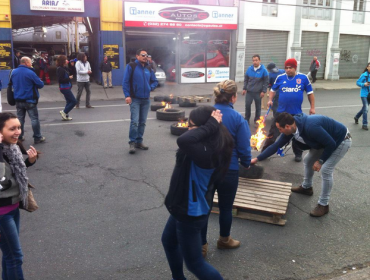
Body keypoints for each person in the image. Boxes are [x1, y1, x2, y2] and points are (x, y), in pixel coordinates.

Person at [162, 106, 234, 280]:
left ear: (205, 128)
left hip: (190, 211)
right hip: (183, 206)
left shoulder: (207, 153)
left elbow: (184, 140)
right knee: (169, 241)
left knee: (195, 263)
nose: (187, 127)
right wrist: (210, 125)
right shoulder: (204, 147)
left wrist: (211, 124)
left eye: (191, 124)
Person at [251, 112, 352, 217]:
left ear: (287, 126)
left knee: (326, 169)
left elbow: (331, 144)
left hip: (341, 140)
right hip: (324, 141)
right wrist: (257, 159)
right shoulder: (290, 130)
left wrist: (320, 161)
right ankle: (307, 188)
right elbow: (276, 145)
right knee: (308, 160)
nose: (279, 132)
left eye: (280, 129)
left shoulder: (310, 127)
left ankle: (323, 204)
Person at [201, 80, 251, 257]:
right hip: (229, 170)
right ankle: (224, 240)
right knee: (226, 208)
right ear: (234, 97)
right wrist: (246, 162)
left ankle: (201, 246)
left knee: (204, 207)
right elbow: (245, 149)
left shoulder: (205, 114)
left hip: (205, 169)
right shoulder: (238, 119)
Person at [0, 112, 38, 279]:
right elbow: (1, 179)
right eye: (12, 128)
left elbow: (12, 173)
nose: (17, 132)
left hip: (13, 208)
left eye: (19, 127)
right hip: (2, 214)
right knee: (15, 257)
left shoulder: (11, 148)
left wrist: (29, 162)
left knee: (9, 255)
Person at [262, 58, 315, 162]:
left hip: (296, 113)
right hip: (281, 112)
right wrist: (270, 100)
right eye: (286, 68)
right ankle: (265, 151)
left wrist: (312, 107)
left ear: (295, 67)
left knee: (297, 134)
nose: (288, 70)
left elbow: (310, 93)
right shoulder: (280, 78)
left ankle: (298, 153)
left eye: (290, 68)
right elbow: (272, 90)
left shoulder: (303, 78)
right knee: (273, 132)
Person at [122, 48, 158, 154]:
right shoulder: (131, 66)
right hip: (135, 99)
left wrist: (150, 87)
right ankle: (132, 142)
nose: (145, 57)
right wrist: (127, 95)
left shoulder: (149, 68)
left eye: (146, 55)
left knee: (142, 122)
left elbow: (155, 81)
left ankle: (139, 141)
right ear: (137, 56)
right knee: (134, 122)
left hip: (146, 99)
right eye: (142, 55)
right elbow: (125, 82)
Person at [12, 57, 45, 144]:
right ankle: (37, 137)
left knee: (20, 119)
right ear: (26, 62)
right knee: (34, 119)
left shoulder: (13, 72)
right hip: (30, 99)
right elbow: (40, 85)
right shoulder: (30, 72)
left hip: (18, 99)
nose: (31, 64)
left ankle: (19, 136)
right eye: (30, 62)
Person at [241, 54, 269, 125]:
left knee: (258, 107)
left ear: (259, 61)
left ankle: (257, 120)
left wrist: (263, 91)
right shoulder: (249, 69)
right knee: (247, 105)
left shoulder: (264, 70)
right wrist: (244, 88)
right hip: (249, 92)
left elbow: (266, 82)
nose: (255, 62)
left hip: (258, 92)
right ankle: (247, 119)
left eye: (256, 60)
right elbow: (246, 80)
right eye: (253, 60)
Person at [56, 55, 77, 121]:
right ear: (63, 61)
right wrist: (68, 78)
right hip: (64, 88)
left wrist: (72, 65)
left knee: (69, 102)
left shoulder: (64, 67)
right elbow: (60, 80)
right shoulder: (60, 69)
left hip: (67, 87)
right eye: (65, 59)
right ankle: (64, 112)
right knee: (74, 101)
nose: (67, 60)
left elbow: (72, 72)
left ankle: (65, 115)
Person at [354, 62, 370, 131]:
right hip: (364, 94)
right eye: (369, 66)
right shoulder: (364, 75)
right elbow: (357, 82)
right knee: (366, 108)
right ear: (367, 67)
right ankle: (364, 124)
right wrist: (364, 84)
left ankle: (356, 117)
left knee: (364, 108)